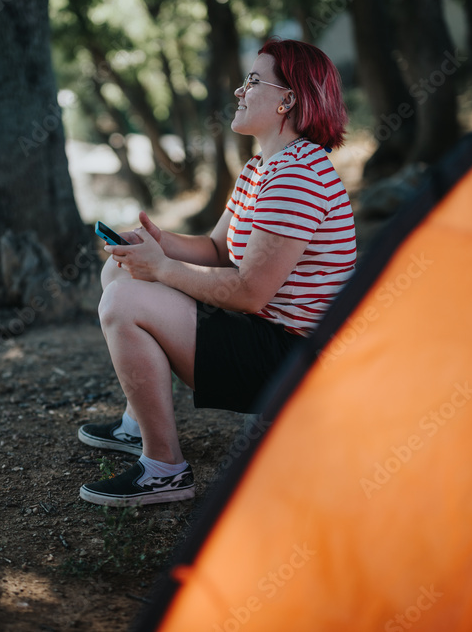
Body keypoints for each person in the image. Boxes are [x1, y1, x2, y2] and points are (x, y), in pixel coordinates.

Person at [77, 38, 356, 507]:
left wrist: (163, 268)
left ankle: (164, 469)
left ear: (287, 99)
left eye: (253, 80)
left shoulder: (299, 178)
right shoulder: (262, 168)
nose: (239, 91)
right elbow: (216, 248)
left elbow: (249, 292)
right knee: (121, 275)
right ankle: (136, 426)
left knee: (125, 300)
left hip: (292, 360)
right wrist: (157, 243)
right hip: (263, 334)